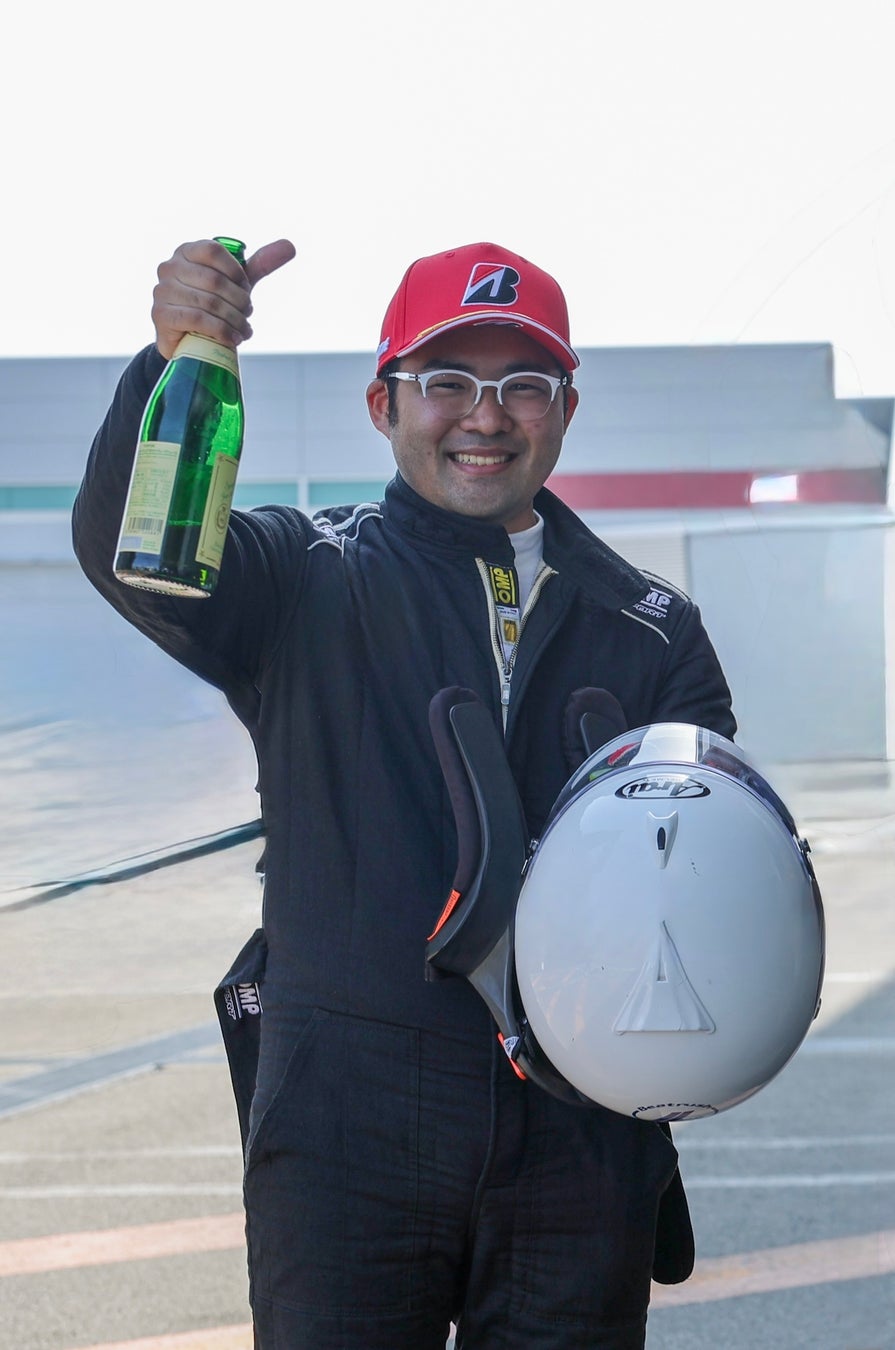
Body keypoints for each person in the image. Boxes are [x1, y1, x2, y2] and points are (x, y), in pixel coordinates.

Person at [72, 237, 736, 1349]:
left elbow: (711, 882)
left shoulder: (653, 629)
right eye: (447, 381)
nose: (485, 416)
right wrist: (177, 357)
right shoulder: (301, 576)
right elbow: (129, 551)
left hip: (582, 1134)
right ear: (383, 403)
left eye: (524, 384)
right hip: (348, 1124)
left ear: (566, 411)